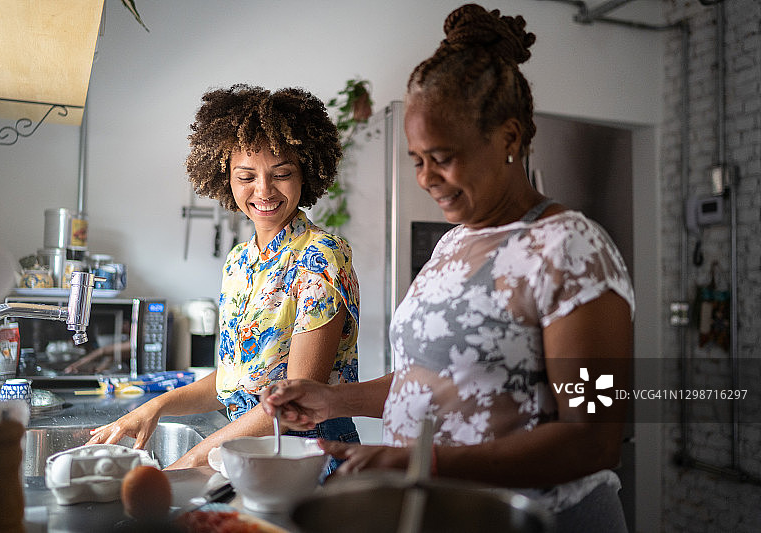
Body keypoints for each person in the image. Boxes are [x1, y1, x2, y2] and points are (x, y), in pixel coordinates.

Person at [261, 5, 634, 532]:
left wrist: (423, 463)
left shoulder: (571, 249)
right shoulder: (453, 244)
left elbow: (594, 438)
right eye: (417, 159)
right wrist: (331, 400)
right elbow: (431, 380)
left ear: (509, 139)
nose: (427, 178)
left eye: (443, 156)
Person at [88, 85, 361, 472]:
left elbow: (298, 400)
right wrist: (155, 406)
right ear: (225, 180)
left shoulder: (322, 256)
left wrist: (197, 456)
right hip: (248, 450)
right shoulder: (239, 261)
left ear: (306, 173)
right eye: (246, 176)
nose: (263, 190)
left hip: (310, 459)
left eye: (281, 173)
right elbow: (235, 379)